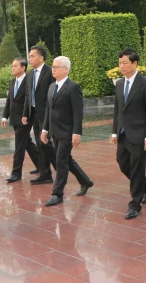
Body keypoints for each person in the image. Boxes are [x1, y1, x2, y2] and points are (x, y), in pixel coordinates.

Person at [111, 48, 146, 219]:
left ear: (135, 63)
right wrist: (114, 132)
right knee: (123, 163)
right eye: (120, 63)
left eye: (125, 63)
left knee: (137, 168)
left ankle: (135, 204)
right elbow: (117, 110)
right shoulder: (119, 84)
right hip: (123, 133)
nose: (121, 66)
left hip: (139, 134)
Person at [41, 56, 93, 206]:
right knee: (66, 159)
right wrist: (45, 129)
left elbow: (78, 112)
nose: (53, 69)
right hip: (54, 131)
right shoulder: (52, 86)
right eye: (53, 67)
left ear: (65, 69)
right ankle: (85, 181)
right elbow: (48, 110)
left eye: (56, 67)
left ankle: (57, 194)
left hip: (67, 131)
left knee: (61, 161)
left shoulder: (72, 87)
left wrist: (77, 132)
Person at [22, 45, 56, 184]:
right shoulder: (30, 74)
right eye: (29, 56)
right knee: (40, 143)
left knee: (46, 144)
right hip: (34, 114)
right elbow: (28, 95)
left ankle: (62, 166)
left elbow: (54, 94)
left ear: (41, 58)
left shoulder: (50, 72)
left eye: (32, 56)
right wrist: (26, 113)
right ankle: (45, 174)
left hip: (47, 114)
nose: (29, 58)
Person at [2, 58, 40, 182]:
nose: (12, 68)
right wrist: (4, 116)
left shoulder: (29, 81)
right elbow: (9, 101)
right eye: (12, 66)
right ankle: (41, 165)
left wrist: (26, 115)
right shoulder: (13, 82)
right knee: (27, 143)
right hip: (14, 117)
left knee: (19, 145)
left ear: (23, 68)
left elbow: (28, 101)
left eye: (15, 66)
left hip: (25, 118)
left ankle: (16, 173)